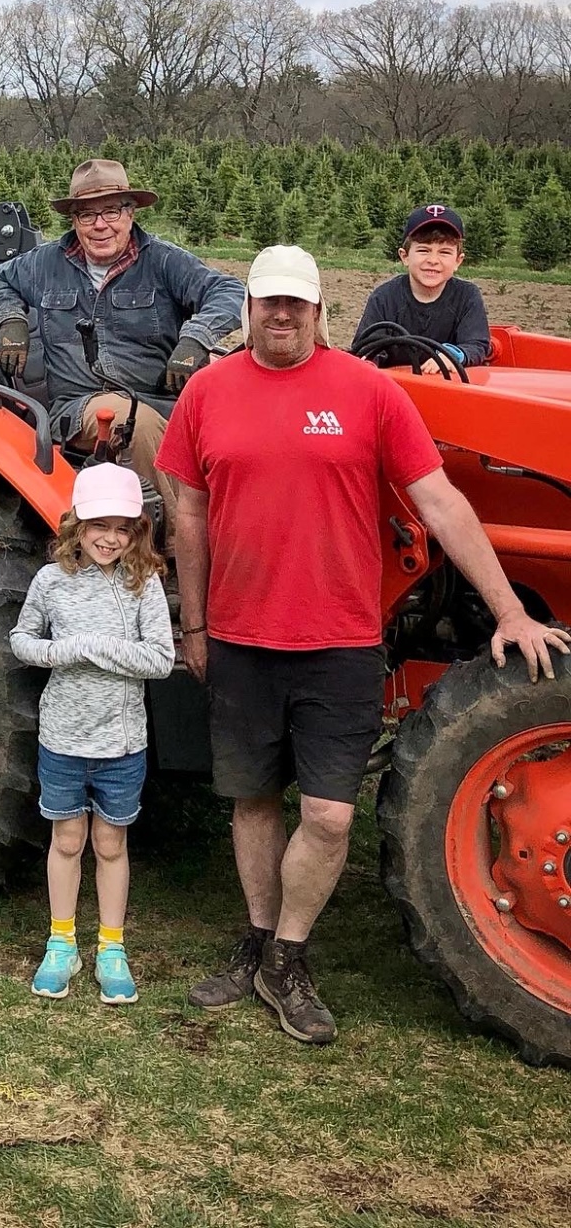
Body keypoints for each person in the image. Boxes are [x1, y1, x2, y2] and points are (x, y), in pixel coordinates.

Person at [154, 244, 570, 1046]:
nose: (281, 315)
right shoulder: (207, 393)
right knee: (251, 799)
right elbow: (190, 518)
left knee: (332, 816)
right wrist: (195, 624)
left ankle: (289, 957)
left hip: (340, 639)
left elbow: (440, 503)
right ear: (248, 308)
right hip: (239, 638)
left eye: (295, 305)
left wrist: (510, 611)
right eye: (268, 302)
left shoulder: (367, 391)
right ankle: (257, 938)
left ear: (319, 312)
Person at [0, 159, 242, 535]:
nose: (100, 225)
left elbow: (230, 292)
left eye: (110, 211)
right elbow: (1, 278)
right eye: (87, 214)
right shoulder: (44, 264)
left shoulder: (163, 261)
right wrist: (11, 319)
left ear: (130, 212)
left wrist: (195, 339)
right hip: (79, 406)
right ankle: (180, 549)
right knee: (130, 419)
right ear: (74, 220)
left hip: (163, 399)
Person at [9, 462, 174, 1004]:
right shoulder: (50, 581)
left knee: (110, 842)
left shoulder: (144, 583)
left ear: (137, 532)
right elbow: (23, 641)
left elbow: (161, 659)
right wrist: (68, 650)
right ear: (76, 524)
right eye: (99, 525)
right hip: (63, 738)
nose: (110, 538)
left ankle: (111, 946)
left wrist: (104, 650)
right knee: (67, 839)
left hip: (123, 744)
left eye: (122, 528)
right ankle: (61, 943)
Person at [353, 205, 491, 373]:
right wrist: (369, 363)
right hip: (396, 386)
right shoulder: (385, 297)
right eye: (423, 250)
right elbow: (367, 348)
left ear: (458, 261)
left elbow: (477, 345)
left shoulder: (467, 296)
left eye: (444, 252)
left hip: (448, 388)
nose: (433, 260)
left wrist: (454, 355)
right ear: (405, 256)